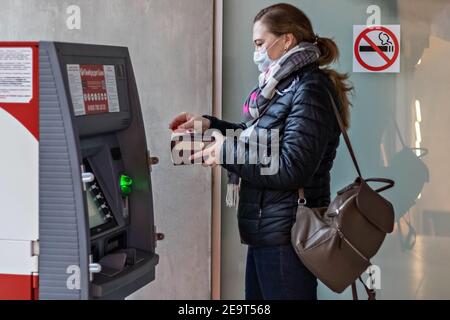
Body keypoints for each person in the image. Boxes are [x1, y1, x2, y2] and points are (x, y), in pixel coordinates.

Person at [169, 3, 353, 300]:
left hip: (289, 234)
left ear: (287, 39)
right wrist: (208, 125)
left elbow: (292, 166)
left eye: (260, 43)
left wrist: (226, 152)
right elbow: (261, 140)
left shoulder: (309, 89)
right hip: (269, 231)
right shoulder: (283, 87)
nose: (256, 52)